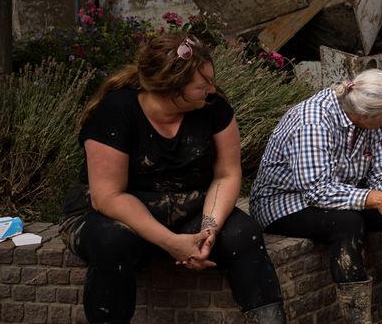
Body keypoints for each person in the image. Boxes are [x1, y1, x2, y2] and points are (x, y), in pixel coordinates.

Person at [60, 33, 285, 324]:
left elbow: (226, 175)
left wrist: (209, 229)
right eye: (202, 86)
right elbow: (108, 197)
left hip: (188, 207)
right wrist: (171, 242)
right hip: (113, 213)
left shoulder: (213, 108)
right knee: (114, 243)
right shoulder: (116, 112)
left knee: (245, 235)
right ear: (170, 88)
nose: (213, 89)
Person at [251, 70, 382, 324]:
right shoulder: (313, 121)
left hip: (338, 194)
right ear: (366, 115)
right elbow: (317, 190)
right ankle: (357, 319)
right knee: (347, 223)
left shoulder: (370, 118)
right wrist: (376, 198)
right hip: (284, 202)